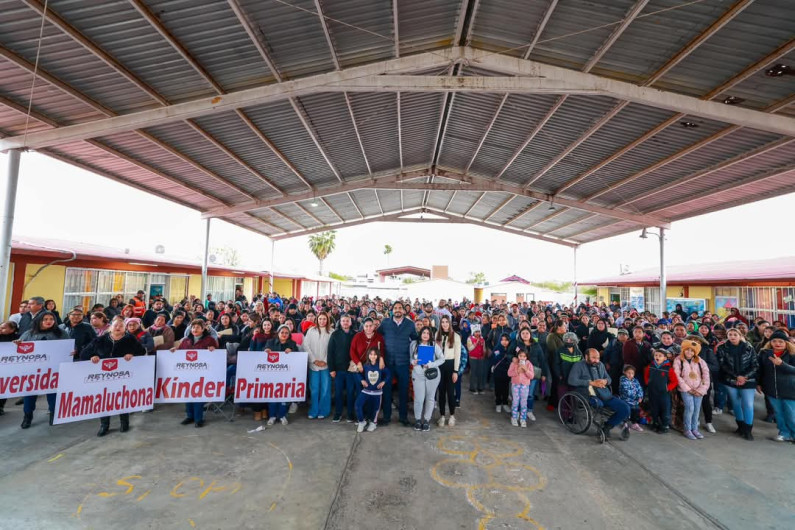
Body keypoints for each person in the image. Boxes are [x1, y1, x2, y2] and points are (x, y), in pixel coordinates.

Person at [81, 318, 146, 436]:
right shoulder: (100, 339)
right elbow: (84, 354)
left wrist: (132, 354)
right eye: (115, 325)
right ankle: (104, 425)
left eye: (121, 326)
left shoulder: (130, 339)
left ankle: (124, 422)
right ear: (110, 327)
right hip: (104, 377)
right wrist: (93, 356)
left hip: (123, 376)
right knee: (104, 400)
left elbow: (141, 351)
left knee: (122, 398)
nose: (118, 328)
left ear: (125, 329)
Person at [18, 311, 69, 429]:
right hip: (32, 371)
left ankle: (53, 414)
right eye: (45, 319)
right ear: (39, 320)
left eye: (51, 319)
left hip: (53, 370)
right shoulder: (29, 333)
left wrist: (72, 351)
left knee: (53, 393)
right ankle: (27, 416)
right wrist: (16, 344)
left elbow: (68, 348)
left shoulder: (61, 333)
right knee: (29, 394)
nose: (49, 321)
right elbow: (19, 350)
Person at [568, 348, 630, 439]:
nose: (596, 360)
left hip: (604, 394)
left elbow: (609, 379)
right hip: (588, 395)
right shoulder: (578, 365)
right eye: (593, 358)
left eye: (598, 358)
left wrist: (605, 381)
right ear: (586, 357)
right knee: (599, 405)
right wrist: (591, 383)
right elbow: (571, 380)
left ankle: (607, 426)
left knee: (625, 408)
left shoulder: (600, 365)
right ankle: (603, 426)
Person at [171, 319, 219, 428]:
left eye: (197, 327)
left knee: (198, 395)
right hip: (187, 373)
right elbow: (180, 352)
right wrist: (175, 350)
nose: (195, 329)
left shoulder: (209, 340)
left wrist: (213, 349)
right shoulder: (186, 340)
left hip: (202, 373)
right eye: (193, 327)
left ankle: (198, 419)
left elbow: (216, 354)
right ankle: (190, 416)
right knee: (188, 394)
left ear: (203, 329)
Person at [379, 301, 418, 426]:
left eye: (400, 308)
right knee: (387, 390)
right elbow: (378, 338)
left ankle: (403, 417)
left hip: (403, 363)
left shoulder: (410, 324)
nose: (397, 310)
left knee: (403, 391)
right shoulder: (385, 323)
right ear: (392, 310)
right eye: (395, 308)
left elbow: (416, 341)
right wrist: (380, 357)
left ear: (404, 310)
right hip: (388, 363)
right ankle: (386, 417)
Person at [717, 327, 759, 440]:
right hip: (730, 380)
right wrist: (736, 377)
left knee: (748, 404)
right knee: (736, 404)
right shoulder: (722, 348)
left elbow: (755, 365)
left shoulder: (749, 348)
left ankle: (748, 430)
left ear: (740, 336)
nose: (732, 337)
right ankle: (740, 427)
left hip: (748, 380)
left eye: (735, 334)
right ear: (727, 336)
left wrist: (745, 377)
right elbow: (722, 365)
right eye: (730, 334)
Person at [757, 329, 795, 442]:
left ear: (786, 343)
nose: (777, 344)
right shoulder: (764, 354)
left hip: (790, 390)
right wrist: (758, 383)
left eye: (780, 341)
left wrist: (782, 364)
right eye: (774, 341)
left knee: (791, 414)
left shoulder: (792, 354)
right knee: (778, 414)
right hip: (771, 390)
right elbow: (759, 370)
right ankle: (784, 433)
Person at [673, 338, 710, 440]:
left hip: (698, 390)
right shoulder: (678, 360)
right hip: (686, 390)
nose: (689, 352)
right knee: (690, 408)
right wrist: (687, 389)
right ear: (683, 349)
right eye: (687, 350)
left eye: (692, 351)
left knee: (697, 410)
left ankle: (695, 429)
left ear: (695, 352)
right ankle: (687, 429)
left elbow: (706, 376)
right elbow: (677, 376)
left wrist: (701, 389)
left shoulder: (700, 361)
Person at [410, 326, 445, 432]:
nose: (425, 335)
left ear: (430, 335)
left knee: (430, 398)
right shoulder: (414, 344)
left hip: (432, 375)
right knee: (419, 399)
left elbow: (442, 359)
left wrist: (431, 364)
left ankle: (426, 420)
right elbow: (410, 358)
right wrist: (413, 362)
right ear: (420, 333)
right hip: (418, 374)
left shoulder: (434, 345)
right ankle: (417, 420)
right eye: (424, 332)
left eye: (428, 333)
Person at [512, 327, 549, 422]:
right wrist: (513, 358)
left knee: (530, 394)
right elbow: (509, 354)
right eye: (523, 333)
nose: (525, 335)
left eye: (527, 333)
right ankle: (518, 411)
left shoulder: (536, 345)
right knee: (519, 395)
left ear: (530, 335)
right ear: (520, 335)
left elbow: (542, 360)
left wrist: (544, 374)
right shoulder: (517, 345)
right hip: (520, 373)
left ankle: (529, 410)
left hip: (532, 373)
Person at [264, 325, 298, 426]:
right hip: (272, 375)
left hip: (286, 375)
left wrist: (292, 352)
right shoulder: (270, 342)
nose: (284, 334)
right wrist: (266, 351)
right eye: (282, 332)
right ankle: (272, 416)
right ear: (278, 333)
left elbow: (298, 356)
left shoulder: (292, 343)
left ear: (289, 334)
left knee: (284, 396)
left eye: (286, 333)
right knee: (272, 396)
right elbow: (263, 351)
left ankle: (282, 415)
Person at [328, 314, 357, 422]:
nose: (345, 323)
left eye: (347, 321)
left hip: (351, 370)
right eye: (343, 321)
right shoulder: (335, 334)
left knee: (350, 392)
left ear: (350, 322)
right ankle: (338, 413)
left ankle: (350, 414)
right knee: (338, 393)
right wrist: (331, 369)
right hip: (338, 369)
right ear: (340, 322)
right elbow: (330, 352)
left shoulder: (355, 334)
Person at [355, 346, 391, 433]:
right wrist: (362, 380)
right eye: (371, 354)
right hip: (366, 391)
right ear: (368, 355)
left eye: (375, 354)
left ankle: (373, 423)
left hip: (377, 392)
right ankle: (361, 422)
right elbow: (358, 373)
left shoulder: (380, 365)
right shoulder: (365, 365)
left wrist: (383, 382)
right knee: (357, 405)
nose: (373, 356)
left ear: (378, 356)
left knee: (375, 409)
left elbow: (388, 374)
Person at [304, 311, 332, 420]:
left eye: (324, 319)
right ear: (317, 319)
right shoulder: (311, 331)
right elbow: (306, 346)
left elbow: (332, 348)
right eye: (320, 319)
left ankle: (324, 410)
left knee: (325, 388)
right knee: (314, 389)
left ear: (327, 320)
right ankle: (314, 410)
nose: (322, 321)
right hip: (314, 365)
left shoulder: (331, 332)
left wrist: (325, 361)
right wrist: (314, 360)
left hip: (326, 365)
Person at [644, 350, 678, 434]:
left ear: (665, 358)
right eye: (656, 355)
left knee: (665, 409)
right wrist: (648, 383)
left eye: (660, 356)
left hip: (664, 394)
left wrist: (667, 388)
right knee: (654, 408)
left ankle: (665, 425)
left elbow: (674, 381)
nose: (657, 357)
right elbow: (646, 376)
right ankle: (655, 423)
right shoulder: (650, 366)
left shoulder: (668, 369)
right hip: (652, 392)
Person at [436, 315, 461, 427]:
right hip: (439, 365)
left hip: (450, 365)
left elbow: (457, 355)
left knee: (450, 392)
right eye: (443, 322)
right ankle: (442, 415)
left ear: (450, 323)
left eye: (447, 322)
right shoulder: (437, 335)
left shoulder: (456, 336)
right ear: (440, 323)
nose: (445, 324)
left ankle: (452, 415)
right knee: (441, 392)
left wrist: (455, 371)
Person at [508, 349, 535, 428]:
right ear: (518, 356)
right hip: (515, 385)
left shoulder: (529, 364)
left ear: (527, 357)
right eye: (520, 356)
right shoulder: (514, 363)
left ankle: (523, 419)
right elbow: (509, 373)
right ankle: (514, 417)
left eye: (524, 356)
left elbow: (532, 376)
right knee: (515, 401)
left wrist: (526, 370)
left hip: (525, 386)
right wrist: (517, 371)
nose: (522, 358)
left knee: (524, 402)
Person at [554, 332, 582, 397]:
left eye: (571, 340)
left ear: (574, 341)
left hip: (574, 378)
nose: (569, 341)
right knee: (563, 396)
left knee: (573, 396)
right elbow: (556, 364)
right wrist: (559, 375)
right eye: (567, 340)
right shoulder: (559, 351)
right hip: (563, 378)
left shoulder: (578, 352)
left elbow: (581, 365)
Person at [491, 333, 512, 413]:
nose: (504, 342)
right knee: (498, 389)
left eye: (506, 340)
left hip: (507, 372)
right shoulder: (497, 349)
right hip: (498, 372)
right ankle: (498, 403)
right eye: (502, 340)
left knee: (506, 388)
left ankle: (505, 403)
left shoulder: (511, 349)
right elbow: (495, 359)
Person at [619, 365, 644, 432]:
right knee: (626, 412)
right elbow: (627, 391)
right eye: (628, 373)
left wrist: (640, 396)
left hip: (635, 401)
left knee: (636, 411)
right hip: (626, 400)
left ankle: (634, 423)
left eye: (632, 373)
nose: (630, 375)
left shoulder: (635, 380)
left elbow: (640, 389)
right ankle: (625, 423)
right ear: (624, 372)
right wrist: (636, 397)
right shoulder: (623, 380)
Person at [467, 325, 487, 394]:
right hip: (473, 358)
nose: (477, 333)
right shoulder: (470, 339)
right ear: (473, 332)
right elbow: (469, 348)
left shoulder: (482, 339)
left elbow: (484, 348)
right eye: (476, 332)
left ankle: (480, 388)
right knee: (473, 373)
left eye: (478, 332)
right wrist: (475, 344)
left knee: (480, 373)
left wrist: (484, 354)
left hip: (480, 358)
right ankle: (472, 388)